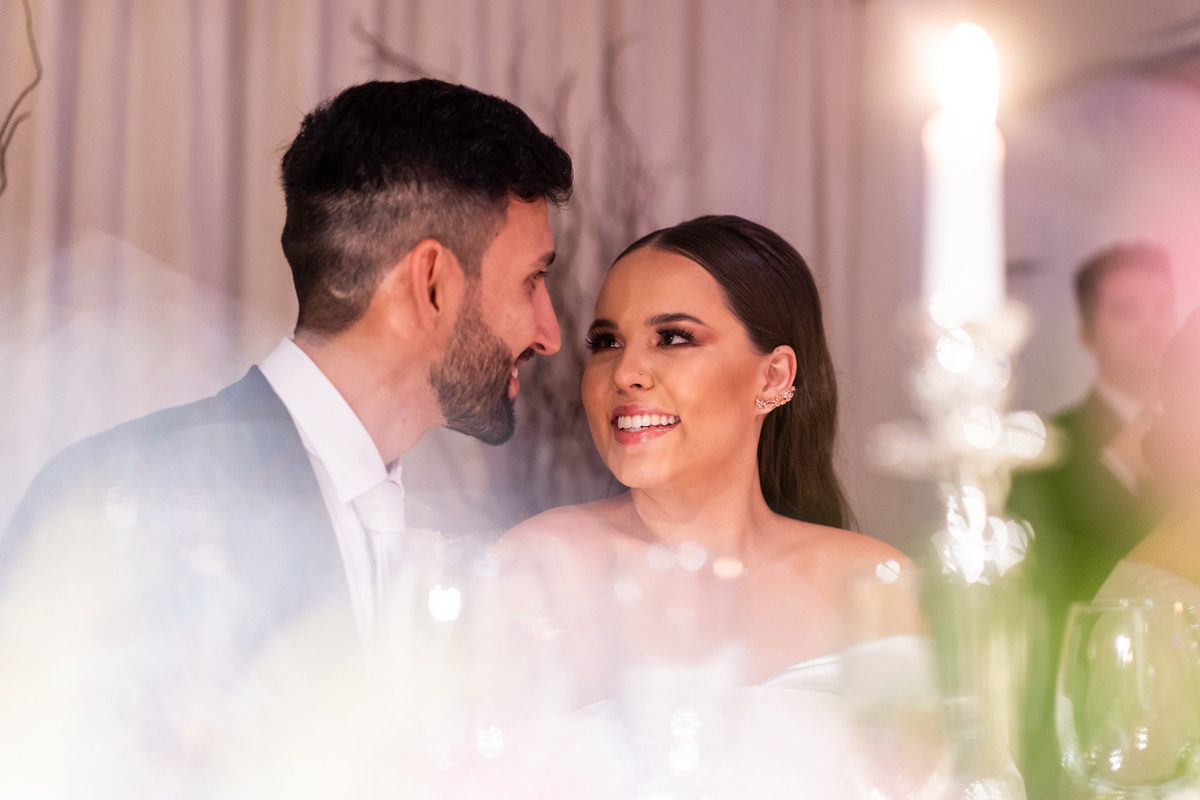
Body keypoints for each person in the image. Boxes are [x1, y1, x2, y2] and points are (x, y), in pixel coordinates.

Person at [0, 78, 572, 795]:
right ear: (431, 283)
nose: (549, 334)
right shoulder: (126, 495)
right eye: (531, 281)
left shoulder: (439, 545)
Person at [504, 215, 919, 797]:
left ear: (773, 377)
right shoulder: (535, 571)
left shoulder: (876, 585)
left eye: (672, 337)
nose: (624, 373)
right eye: (606, 342)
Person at [1009, 242, 1177, 799]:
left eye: (1162, 307)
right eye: (1127, 311)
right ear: (1086, 332)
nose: (1152, 326)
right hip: (1093, 719)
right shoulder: (1043, 451)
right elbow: (1048, 592)